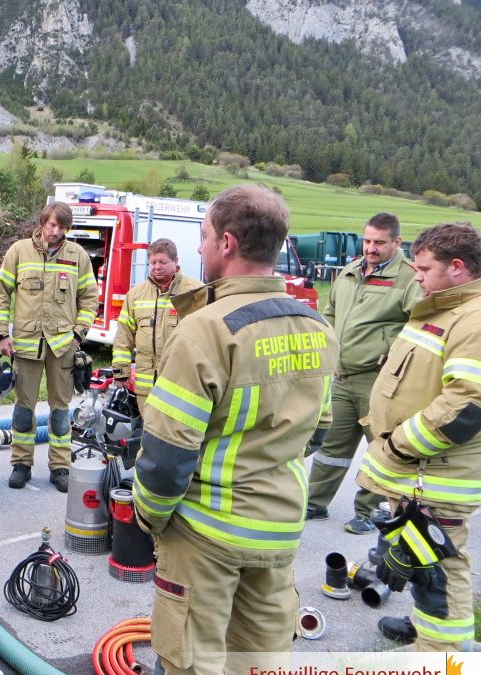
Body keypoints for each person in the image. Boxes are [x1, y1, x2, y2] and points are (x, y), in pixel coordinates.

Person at [132, 185, 338, 675]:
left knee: (192, 662)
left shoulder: (204, 331)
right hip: (279, 532)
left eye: (203, 237)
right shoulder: (318, 327)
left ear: (226, 243)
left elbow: (165, 460)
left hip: (206, 536)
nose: (199, 249)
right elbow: (317, 432)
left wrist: (149, 518)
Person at [355, 222, 481, 651]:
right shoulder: (443, 307)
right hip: (415, 473)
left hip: (434, 476)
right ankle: (425, 630)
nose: (417, 276)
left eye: (425, 268)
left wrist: (397, 445)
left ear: (458, 267)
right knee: (420, 561)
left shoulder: (474, 319)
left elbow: (465, 407)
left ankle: (440, 653)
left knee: (439, 569)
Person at [305, 213, 420, 534]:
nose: (371, 248)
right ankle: (315, 502)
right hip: (341, 376)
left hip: (378, 380)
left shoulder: (408, 278)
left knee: (379, 448)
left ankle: (369, 509)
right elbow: (329, 312)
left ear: (397, 242)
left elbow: (420, 322)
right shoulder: (350, 270)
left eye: (379, 242)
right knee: (332, 447)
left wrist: (394, 348)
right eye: (367, 240)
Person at [0, 202, 98, 492]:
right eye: (52, 225)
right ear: (42, 223)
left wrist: (79, 335)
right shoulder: (19, 251)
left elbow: (90, 298)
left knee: (61, 411)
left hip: (63, 345)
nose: (56, 231)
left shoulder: (77, 256)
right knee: (24, 409)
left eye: (62, 227)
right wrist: (2, 334)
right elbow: (1, 294)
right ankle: (21, 465)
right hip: (26, 346)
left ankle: (60, 467)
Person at [112, 237, 202, 410]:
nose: (157, 266)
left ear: (176, 261)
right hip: (146, 386)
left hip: (181, 384)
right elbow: (124, 336)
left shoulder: (195, 291)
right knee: (148, 433)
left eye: (162, 262)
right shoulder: (136, 294)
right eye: (153, 262)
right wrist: (120, 371)